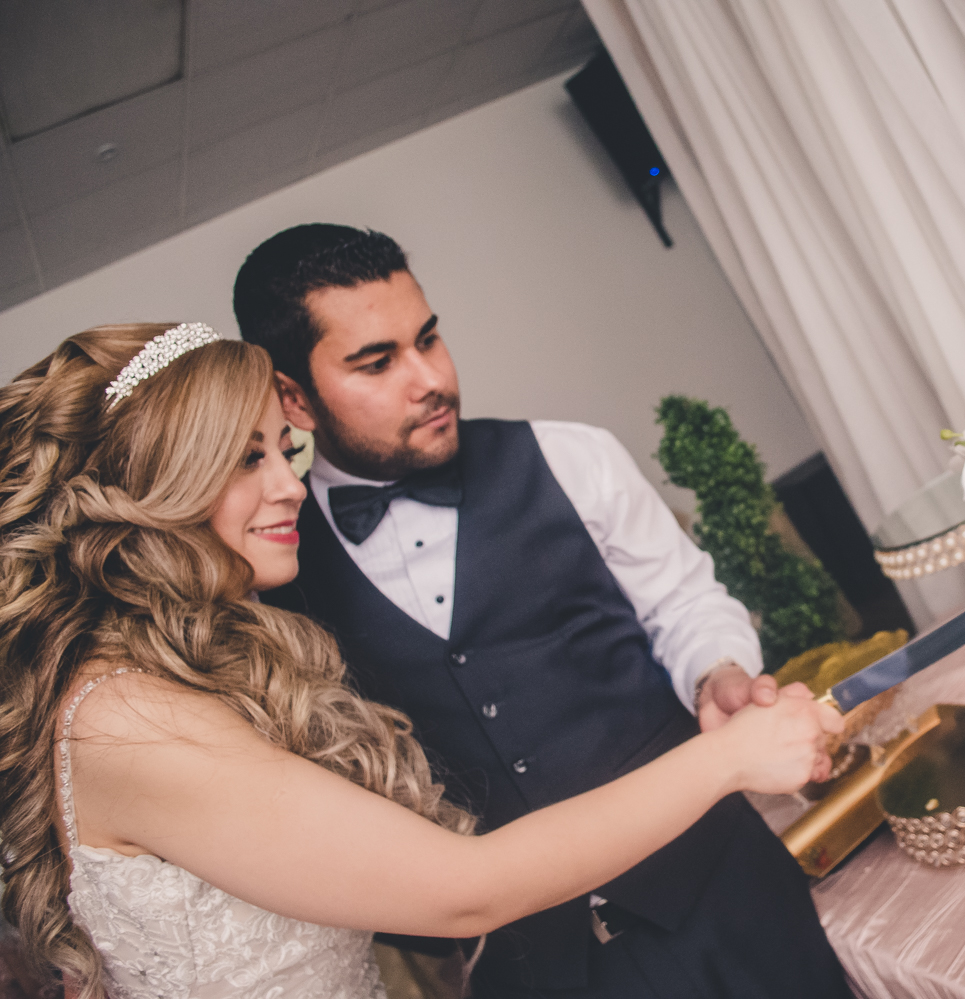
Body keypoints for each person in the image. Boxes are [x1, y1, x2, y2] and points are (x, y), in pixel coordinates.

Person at [0, 323, 843, 999]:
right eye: (248, 457)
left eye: (283, 450)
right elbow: (466, 887)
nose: (289, 484)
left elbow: (682, 600)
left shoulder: (178, 679)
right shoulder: (128, 718)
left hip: (726, 904)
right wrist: (729, 758)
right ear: (153, 490)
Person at [234, 225, 854, 997]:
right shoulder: (274, 577)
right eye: (378, 362)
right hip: (535, 972)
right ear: (294, 397)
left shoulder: (573, 455)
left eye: (428, 338)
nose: (431, 378)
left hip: (730, 898)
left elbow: (684, 600)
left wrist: (716, 671)